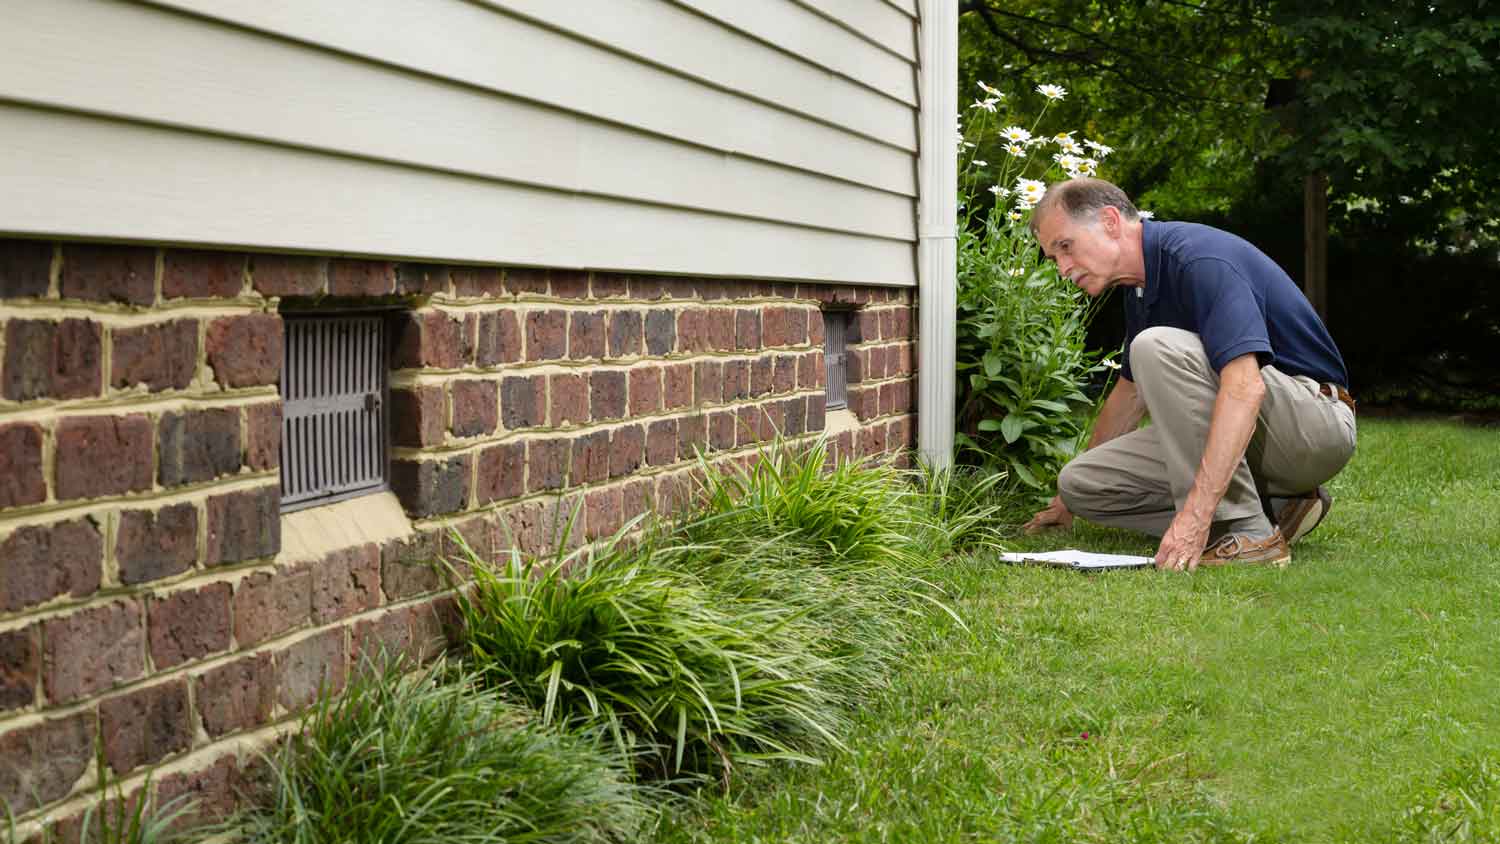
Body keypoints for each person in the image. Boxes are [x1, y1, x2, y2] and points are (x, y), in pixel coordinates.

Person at [1021, 178, 1356, 571]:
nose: (1062, 268)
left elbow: (1245, 387)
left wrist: (1196, 516)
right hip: (1264, 438)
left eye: (1065, 246)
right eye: (1053, 256)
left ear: (1111, 221)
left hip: (1313, 426)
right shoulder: (1141, 287)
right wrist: (1065, 506)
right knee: (1083, 484)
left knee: (1154, 346)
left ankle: (1248, 532)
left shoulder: (1198, 259)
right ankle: (1278, 507)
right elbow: (1129, 397)